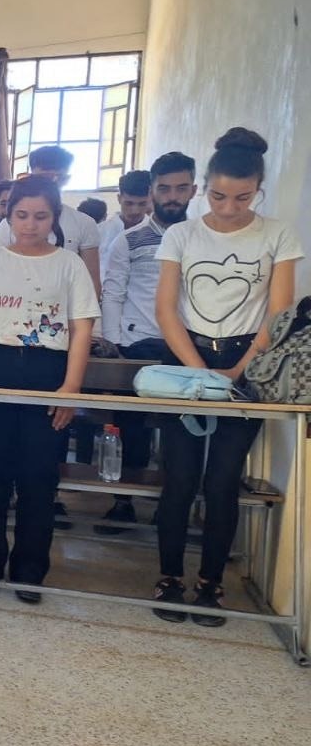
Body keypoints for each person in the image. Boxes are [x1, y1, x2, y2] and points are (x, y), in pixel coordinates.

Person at [151, 128, 302, 626]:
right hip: (186, 357)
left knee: (222, 481)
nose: (230, 208)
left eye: (243, 197)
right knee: (179, 477)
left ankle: (211, 583)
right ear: (204, 189)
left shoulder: (277, 234)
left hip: (249, 361)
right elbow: (166, 309)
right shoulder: (181, 235)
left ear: (258, 190)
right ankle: (169, 577)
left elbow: (278, 313)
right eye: (218, 196)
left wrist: (237, 370)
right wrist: (198, 371)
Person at [0, 175, 99, 603]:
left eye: (40, 216)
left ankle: (30, 573)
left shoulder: (69, 265)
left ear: (55, 218)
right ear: (8, 215)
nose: (30, 224)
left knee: (39, 479)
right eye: (21, 215)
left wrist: (70, 389)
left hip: (48, 373)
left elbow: (81, 328)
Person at [97, 153, 195, 532]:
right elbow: (113, 292)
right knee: (130, 426)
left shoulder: (201, 237)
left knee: (180, 431)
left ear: (193, 190)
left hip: (188, 346)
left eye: (181, 188)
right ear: (154, 191)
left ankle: (172, 506)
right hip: (138, 344)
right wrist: (115, 342)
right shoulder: (129, 240)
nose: (172, 196)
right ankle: (123, 502)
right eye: (164, 188)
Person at [0, 145, 102, 297]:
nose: (52, 183)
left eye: (58, 177)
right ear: (31, 177)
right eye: (45, 177)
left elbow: (92, 282)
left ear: (67, 179)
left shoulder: (84, 223)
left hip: (65, 306)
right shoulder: (8, 224)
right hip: (16, 303)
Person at [98, 169, 153, 277]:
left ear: (151, 200)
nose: (135, 211)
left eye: (142, 204)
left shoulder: (159, 234)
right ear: (119, 199)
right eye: (129, 203)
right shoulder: (98, 232)